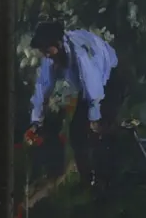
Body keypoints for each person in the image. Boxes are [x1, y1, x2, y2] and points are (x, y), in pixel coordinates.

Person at [24, 20, 118, 187]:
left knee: (100, 129)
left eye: (47, 50)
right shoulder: (51, 58)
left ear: (58, 43)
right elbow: (42, 87)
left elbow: (94, 86)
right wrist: (36, 121)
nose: (46, 55)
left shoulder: (80, 52)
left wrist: (94, 118)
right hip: (89, 88)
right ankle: (88, 180)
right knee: (77, 131)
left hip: (109, 76)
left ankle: (108, 177)